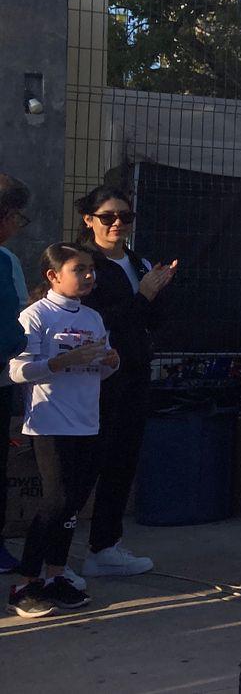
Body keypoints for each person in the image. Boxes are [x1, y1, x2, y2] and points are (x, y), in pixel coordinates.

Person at [7, 243, 120, 617]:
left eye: (91, 269)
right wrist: (59, 362)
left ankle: (56, 575)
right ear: (53, 276)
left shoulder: (92, 317)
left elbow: (101, 370)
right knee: (55, 501)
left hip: (87, 422)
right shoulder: (35, 316)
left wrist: (111, 361)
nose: (88, 276)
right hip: (50, 423)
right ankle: (26, 582)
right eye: (78, 269)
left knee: (72, 503)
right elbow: (17, 370)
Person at [75, 186, 175, 578]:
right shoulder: (84, 264)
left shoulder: (137, 262)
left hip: (134, 370)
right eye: (108, 217)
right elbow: (96, 320)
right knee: (88, 462)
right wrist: (143, 296)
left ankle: (105, 546)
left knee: (123, 459)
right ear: (89, 220)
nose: (117, 224)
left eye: (125, 217)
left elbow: (153, 320)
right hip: (97, 376)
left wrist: (158, 290)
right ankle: (52, 559)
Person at [0, 174, 31, 574]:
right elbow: (12, 330)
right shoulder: (5, 261)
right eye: (17, 216)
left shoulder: (7, 260)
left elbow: (16, 320)